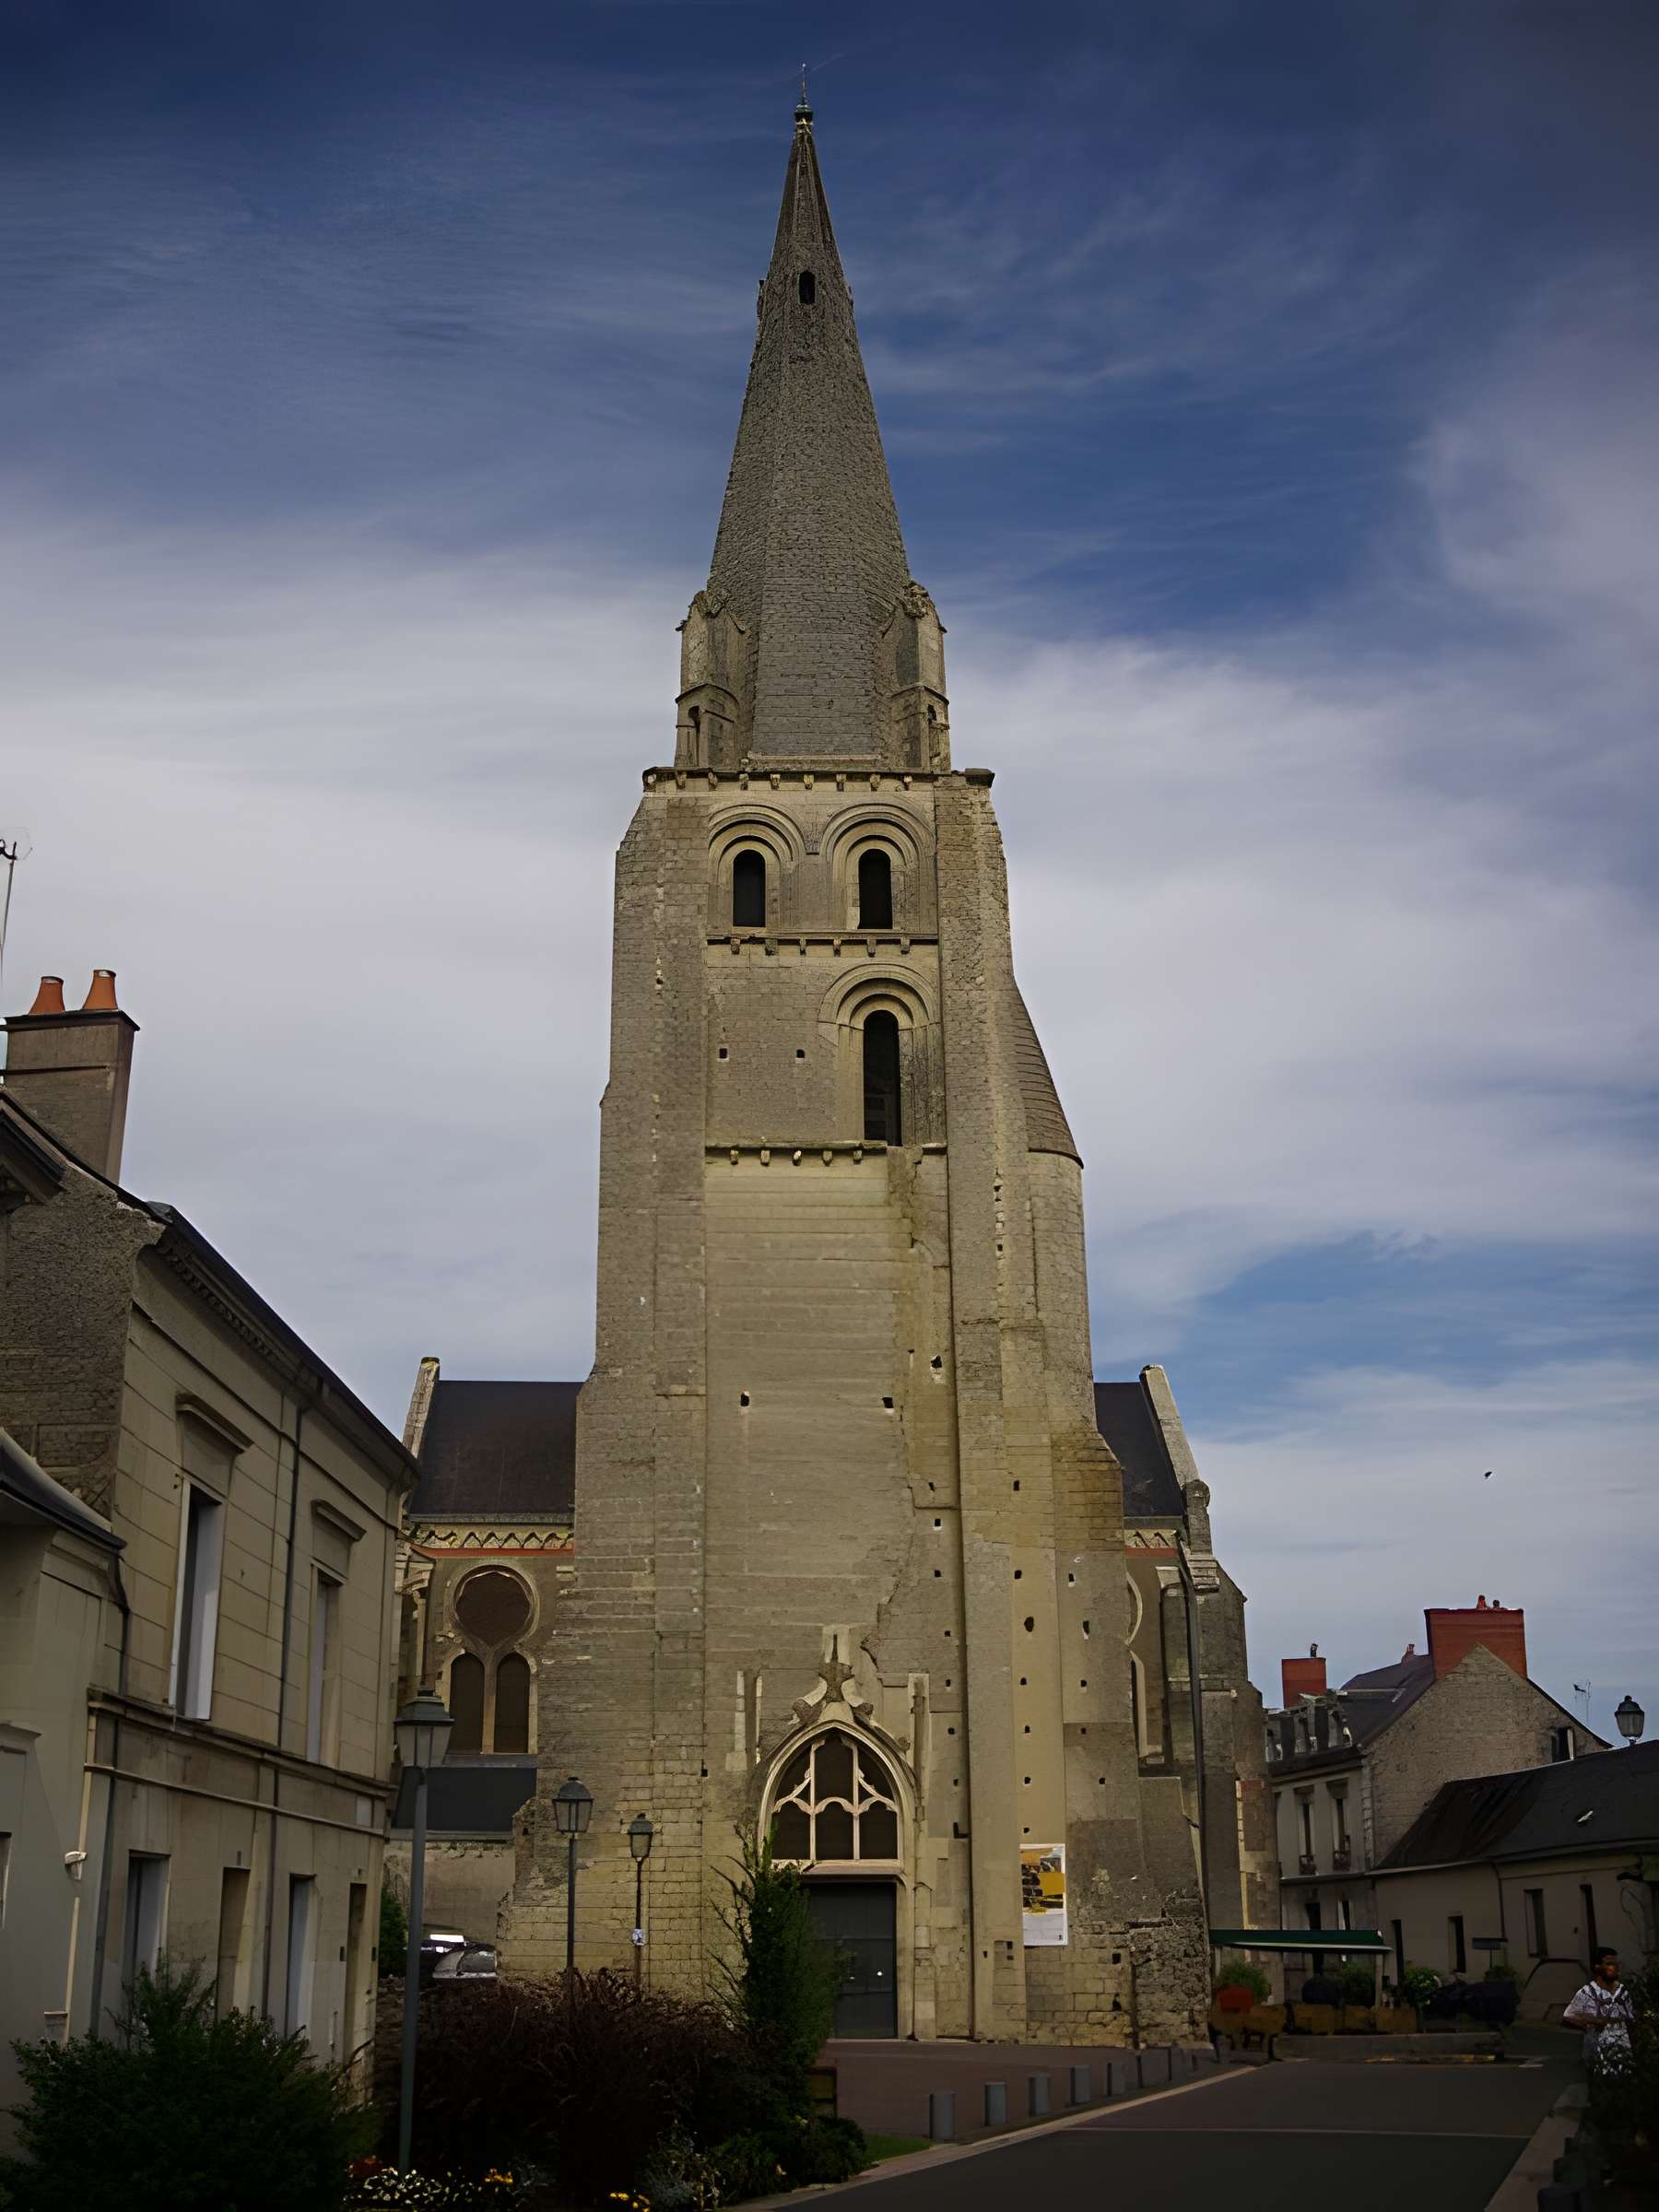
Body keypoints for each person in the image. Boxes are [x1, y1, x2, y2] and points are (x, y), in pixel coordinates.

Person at [1563, 1946, 1634, 2068]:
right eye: (1609, 1963)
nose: (1614, 1966)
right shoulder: (1587, 1992)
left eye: (1615, 1962)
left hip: (1622, 2054)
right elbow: (1569, 2016)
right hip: (1595, 2053)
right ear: (1597, 1967)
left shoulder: (1623, 1992)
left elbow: (1631, 2018)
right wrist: (1593, 2021)